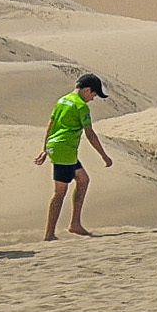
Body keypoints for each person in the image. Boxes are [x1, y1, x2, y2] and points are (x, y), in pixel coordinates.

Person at [33, 73, 115, 239]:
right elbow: (90, 134)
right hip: (65, 150)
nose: (93, 99)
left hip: (57, 147)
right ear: (86, 90)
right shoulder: (81, 106)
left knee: (83, 179)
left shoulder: (62, 100)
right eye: (94, 94)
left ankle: (75, 224)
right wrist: (104, 156)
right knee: (60, 192)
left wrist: (45, 149)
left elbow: (51, 125)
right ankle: (49, 234)